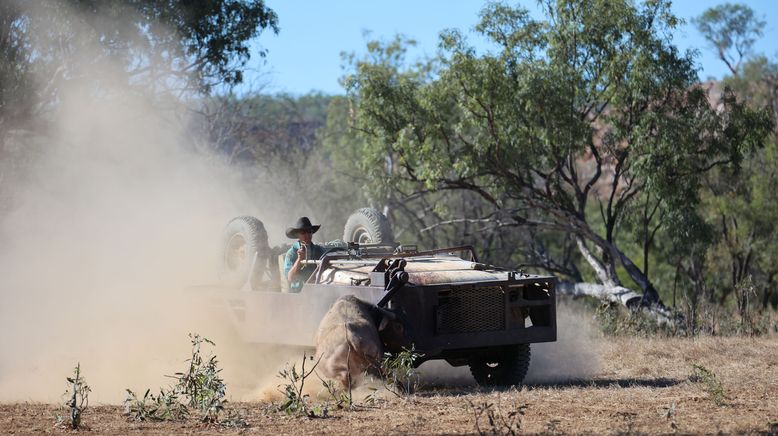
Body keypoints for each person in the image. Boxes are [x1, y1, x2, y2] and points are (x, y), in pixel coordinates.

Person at [284, 216, 326, 292]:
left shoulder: (319, 250)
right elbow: (290, 277)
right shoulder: (291, 253)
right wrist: (299, 259)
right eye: (303, 232)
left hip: (316, 292)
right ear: (297, 235)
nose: (307, 235)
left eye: (309, 231)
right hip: (297, 293)